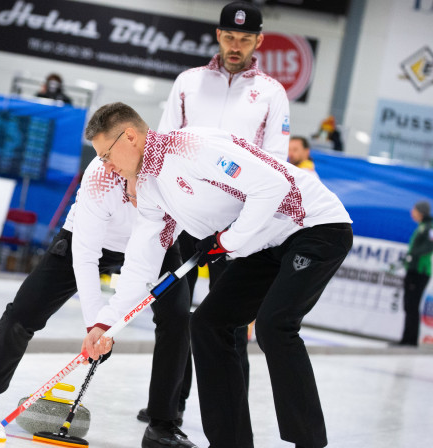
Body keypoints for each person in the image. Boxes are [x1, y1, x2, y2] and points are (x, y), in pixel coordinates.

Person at [82, 102, 352, 448]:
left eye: (106, 155)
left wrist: (228, 240)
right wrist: (107, 322)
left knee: (274, 325)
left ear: (129, 136)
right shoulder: (148, 189)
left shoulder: (192, 146)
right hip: (262, 246)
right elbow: (142, 259)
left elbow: (272, 186)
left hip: (314, 226)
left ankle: (309, 442)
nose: (107, 166)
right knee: (208, 324)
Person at [0, 156, 197, 448]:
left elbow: (141, 268)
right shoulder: (101, 175)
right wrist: (96, 324)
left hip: (155, 245)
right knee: (23, 312)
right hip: (88, 240)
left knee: (178, 319)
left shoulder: (173, 176)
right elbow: (86, 257)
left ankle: (162, 423)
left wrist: (110, 325)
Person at [143, 0, 291, 427]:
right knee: (174, 318)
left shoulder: (271, 93)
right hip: (187, 214)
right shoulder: (189, 82)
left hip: (239, 226)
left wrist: (249, 223)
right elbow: (165, 141)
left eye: (245, 38)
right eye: (229, 36)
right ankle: (168, 406)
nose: (235, 45)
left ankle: (229, 415)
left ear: (259, 40)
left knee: (225, 325)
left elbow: (276, 162)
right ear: (217, 35)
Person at [398, 201, 433, 346]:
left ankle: (410, 341)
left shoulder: (428, 227)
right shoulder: (423, 227)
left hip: (419, 271)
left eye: (414, 209)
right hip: (414, 270)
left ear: (420, 211)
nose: (412, 212)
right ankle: (407, 339)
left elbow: (429, 246)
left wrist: (412, 255)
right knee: (409, 305)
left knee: (412, 305)